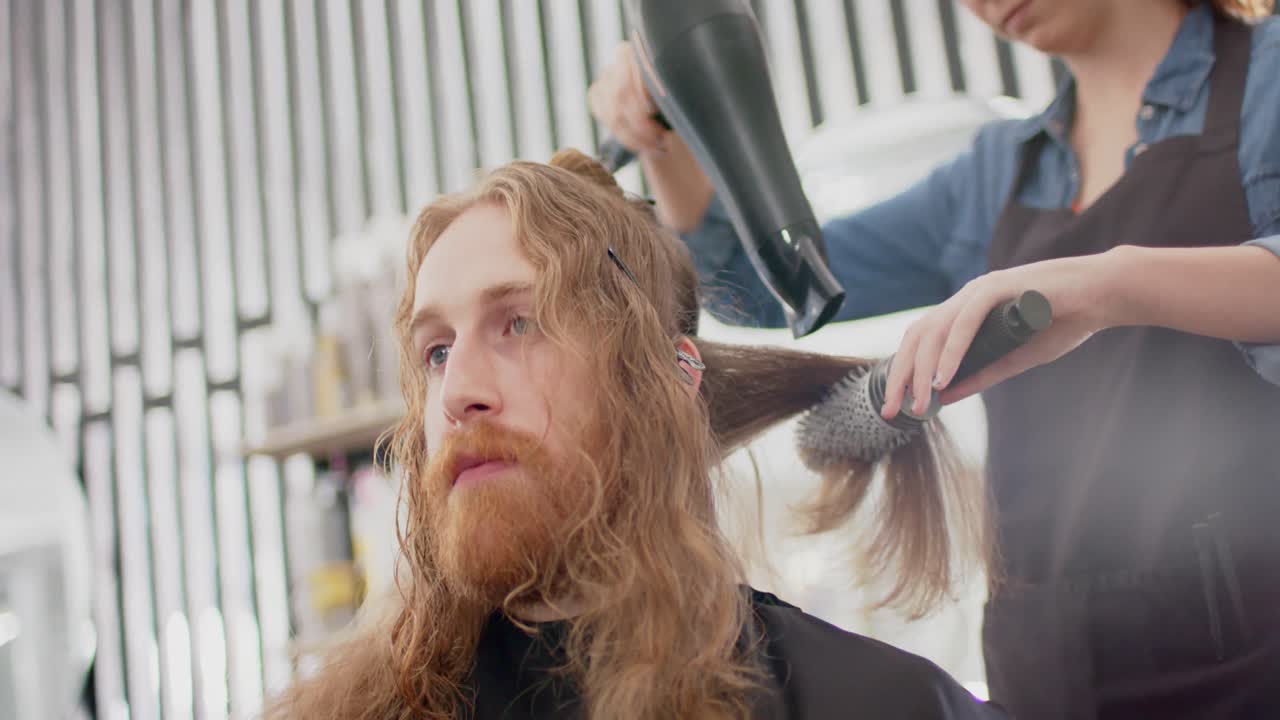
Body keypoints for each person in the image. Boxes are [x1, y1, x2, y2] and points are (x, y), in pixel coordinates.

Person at [588, 0, 1280, 717]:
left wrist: (1106, 284)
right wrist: (668, 136)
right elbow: (766, 286)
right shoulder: (996, 173)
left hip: (1252, 654)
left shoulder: (1269, 72)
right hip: (1042, 664)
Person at [264, 150, 1004, 719]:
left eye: (519, 323)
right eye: (437, 351)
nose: (456, 394)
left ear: (672, 377)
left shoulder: (873, 702)